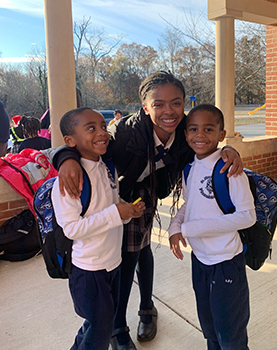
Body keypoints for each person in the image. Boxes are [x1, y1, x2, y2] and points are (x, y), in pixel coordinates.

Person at [53, 71, 243, 350]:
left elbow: (207, 144)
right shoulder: (124, 132)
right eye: (159, 104)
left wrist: (230, 151)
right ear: (145, 107)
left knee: (143, 249)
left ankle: (146, 308)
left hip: (149, 194)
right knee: (128, 256)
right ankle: (117, 328)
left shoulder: (184, 132)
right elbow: (88, 145)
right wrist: (64, 157)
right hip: (120, 198)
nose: (169, 111)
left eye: (176, 103)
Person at [51, 107, 146, 350]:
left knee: (96, 324)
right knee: (100, 329)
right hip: (89, 269)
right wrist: (116, 214)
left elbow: (109, 207)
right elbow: (72, 229)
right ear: (70, 141)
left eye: (103, 126)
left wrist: (127, 211)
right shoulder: (70, 179)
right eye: (90, 128)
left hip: (112, 263)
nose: (101, 132)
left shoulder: (107, 167)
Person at [168, 104, 256, 350]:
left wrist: (189, 230)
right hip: (200, 261)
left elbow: (247, 216)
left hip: (226, 262)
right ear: (185, 134)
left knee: (230, 335)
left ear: (221, 133)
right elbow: (189, 204)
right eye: (193, 129)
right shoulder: (189, 168)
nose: (200, 135)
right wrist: (175, 226)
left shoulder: (229, 169)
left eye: (208, 129)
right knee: (210, 330)